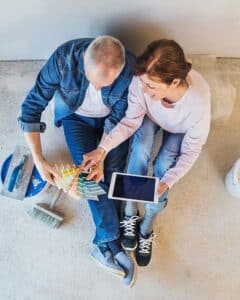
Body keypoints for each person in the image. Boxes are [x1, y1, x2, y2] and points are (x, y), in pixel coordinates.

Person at [80, 39, 211, 267]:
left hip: (180, 129)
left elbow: (190, 152)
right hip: (150, 116)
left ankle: (147, 225)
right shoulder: (142, 81)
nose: (143, 88)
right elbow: (131, 121)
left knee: (164, 166)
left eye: (151, 85)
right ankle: (130, 210)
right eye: (143, 82)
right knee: (140, 147)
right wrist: (103, 148)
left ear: (175, 82)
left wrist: (168, 182)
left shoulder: (198, 105)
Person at [18, 36, 137, 286]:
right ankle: (111, 243)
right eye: (91, 80)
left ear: (119, 71)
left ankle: (105, 244)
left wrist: (102, 152)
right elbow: (31, 107)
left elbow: (120, 117)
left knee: (113, 171)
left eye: (104, 84)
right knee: (88, 178)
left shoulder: (131, 73)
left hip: (111, 125)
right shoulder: (63, 59)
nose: (95, 88)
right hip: (75, 119)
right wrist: (39, 159)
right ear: (84, 60)